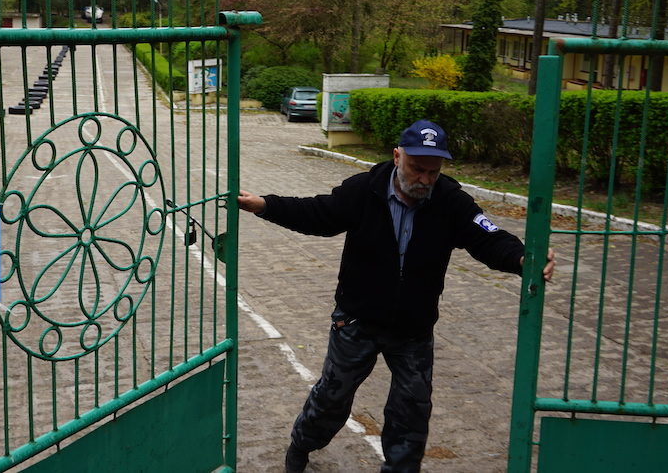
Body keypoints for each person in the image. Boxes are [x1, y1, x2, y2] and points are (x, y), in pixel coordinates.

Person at [237, 119, 555, 473]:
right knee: (332, 397)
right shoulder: (363, 190)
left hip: (413, 329)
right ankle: (302, 444)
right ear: (397, 156)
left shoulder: (450, 200)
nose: (425, 179)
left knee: (412, 410)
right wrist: (265, 205)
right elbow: (318, 214)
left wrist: (522, 258)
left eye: (433, 172)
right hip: (357, 320)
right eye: (417, 168)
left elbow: (488, 236)